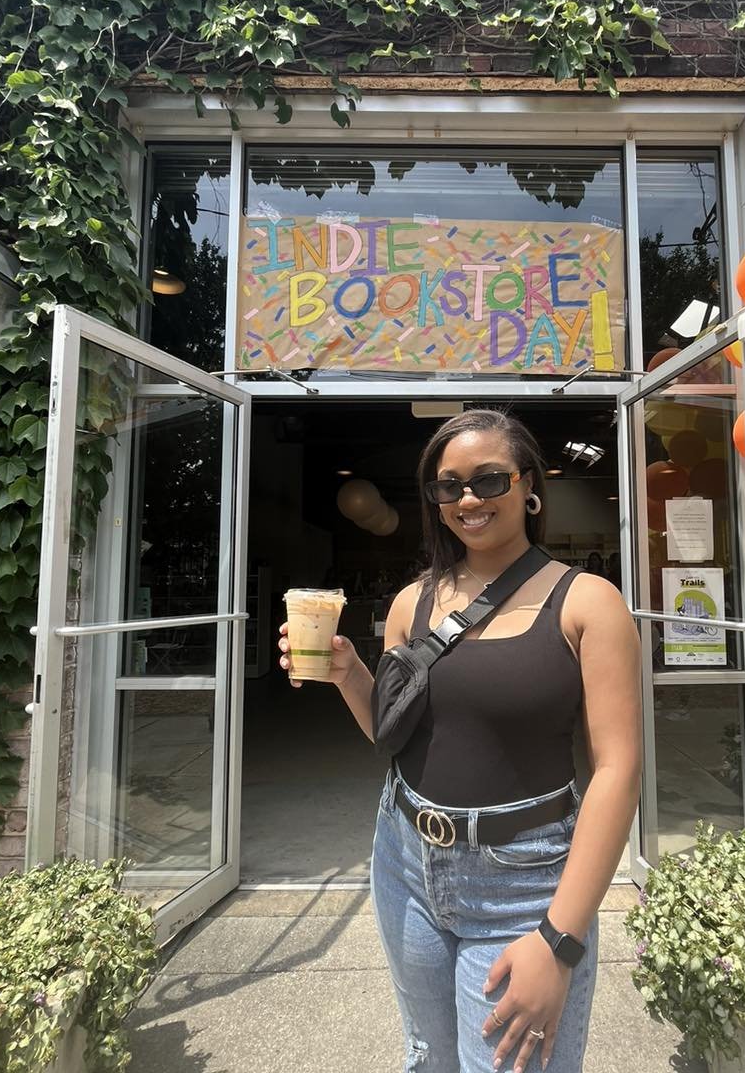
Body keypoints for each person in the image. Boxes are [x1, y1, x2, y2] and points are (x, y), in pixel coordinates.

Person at [278, 409, 642, 1073]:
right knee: (430, 1058)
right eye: (449, 487)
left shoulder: (588, 602)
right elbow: (394, 735)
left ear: (528, 486)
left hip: (525, 881)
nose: (468, 499)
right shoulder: (411, 603)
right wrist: (347, 673)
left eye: (488, 480)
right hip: (405, 860)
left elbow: (617, 772)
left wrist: (559, 937)